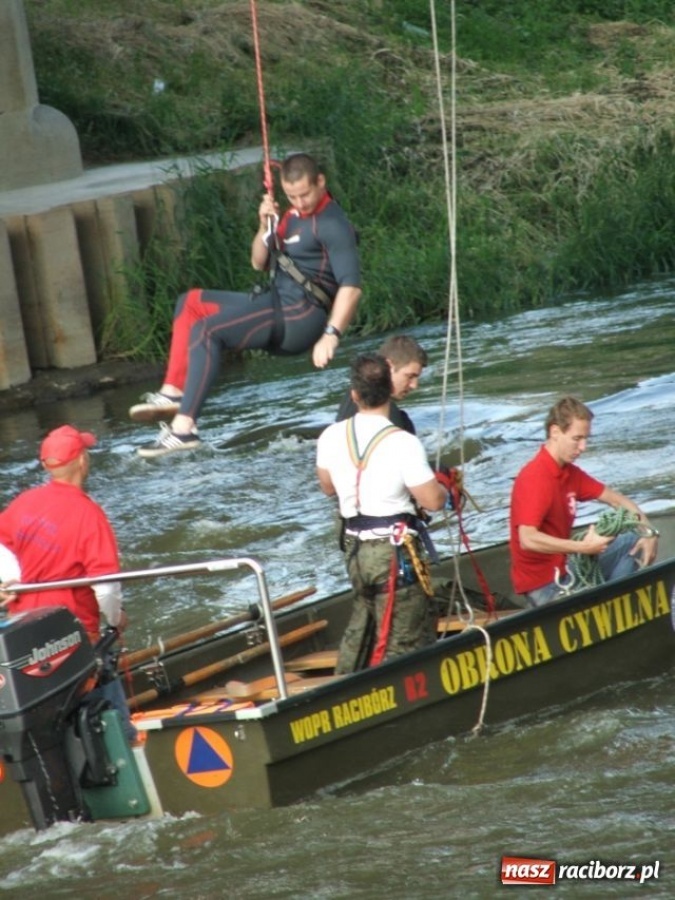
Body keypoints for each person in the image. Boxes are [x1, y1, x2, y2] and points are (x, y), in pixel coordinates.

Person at [130, 152, 362, 458]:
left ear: (320, 182)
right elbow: (258, 262)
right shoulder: (292, 215)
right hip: (275, 302)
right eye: (292, 196)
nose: (300, 202)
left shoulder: (332, 224)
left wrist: (331, 334)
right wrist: (264, 226)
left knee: (207, 330)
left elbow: (351, 286)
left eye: (305, 194)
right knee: (191, 303)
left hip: (300, 319)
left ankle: (183, 429)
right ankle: (173, 392)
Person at [316, 353, 452, 673]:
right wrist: (446, 489)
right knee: (406, 637)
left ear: (354, 395)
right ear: (389, 390)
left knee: (363, 626)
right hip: (393, 553)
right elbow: (432, 501)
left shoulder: (331, 436)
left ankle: (344, 684)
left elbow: (327, 487)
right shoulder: (403, 442)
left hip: (354, 550)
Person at [0, 425, 136, 741]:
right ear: (82, 461)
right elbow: (106, 585)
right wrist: (115, 619)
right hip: (72, 625)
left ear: (46, 465)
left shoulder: (24, 502)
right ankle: (124, 740)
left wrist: (10, 581)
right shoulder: (89, 513)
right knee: (101, 671)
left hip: (23, 624)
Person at [509, 396, 659, 607]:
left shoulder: (570, 473)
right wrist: (582, 547)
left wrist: (650, 532)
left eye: (586, 439)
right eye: (577, 439)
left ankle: (610, 605)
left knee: (637, 536)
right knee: (631, 542)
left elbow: (618, 500)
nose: (583, 447)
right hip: (546, 586)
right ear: (555, 432)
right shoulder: (535, 477)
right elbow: (528, 539)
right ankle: (612, 606)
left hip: (563, 568)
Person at [335, 334, 428, 434]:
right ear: (389, 366)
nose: (414, 385)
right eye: (410, 376)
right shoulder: (394, 419)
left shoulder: (351, 396)